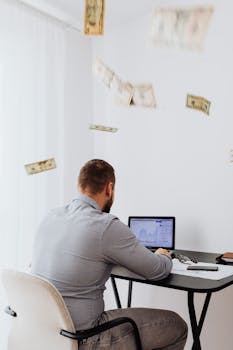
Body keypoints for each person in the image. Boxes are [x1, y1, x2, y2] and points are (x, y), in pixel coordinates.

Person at [31, 159, 187, 350]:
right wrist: (163, 255)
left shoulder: (50, 216)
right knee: (177, 325)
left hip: (45, 333)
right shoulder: (105, 225)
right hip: (85, 337)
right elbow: (157, 270)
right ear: (109, 188)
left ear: (79, 186)